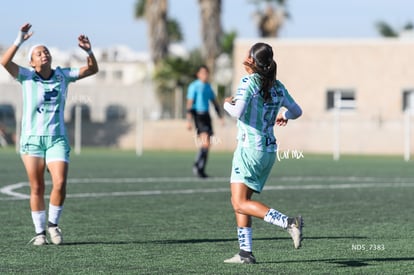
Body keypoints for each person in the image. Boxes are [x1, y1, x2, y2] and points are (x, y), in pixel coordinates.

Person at [1, 23, 99, 245]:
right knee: (37, 187)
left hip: (56, 139)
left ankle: (53, 226)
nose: (43, 54)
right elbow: (4, 62)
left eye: (45, 51)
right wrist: (19, 40)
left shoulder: (63, 75)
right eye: (38, 53)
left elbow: (92, 70)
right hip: (32, 140)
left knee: (60, 182)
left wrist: (89, 52)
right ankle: (39, 232)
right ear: (31, 62)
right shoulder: (26, 76)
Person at [222, 42, 303, 264]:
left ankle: (288, 222)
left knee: (239, 203)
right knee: (242, 201)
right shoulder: (277, 85)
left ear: (251, 59)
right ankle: (245, 253)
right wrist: (284, 116)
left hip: (250, 149)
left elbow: (237, 112)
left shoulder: (249, 81)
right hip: (268, 151)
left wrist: (226, 103)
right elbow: (297, 111)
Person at [186, 65, 223, 178]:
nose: (205, 75)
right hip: (198, 115)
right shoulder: (194, 86)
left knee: (208, 144)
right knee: (206, 143)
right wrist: (188, 120)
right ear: (198, 74)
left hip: (207, 116)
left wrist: (220, 116)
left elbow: (214, 102)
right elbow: (190, 103)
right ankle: (197, 166)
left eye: (206, 73)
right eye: (202, 73)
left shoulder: (208, 87)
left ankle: (200, 169)